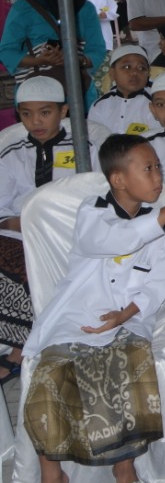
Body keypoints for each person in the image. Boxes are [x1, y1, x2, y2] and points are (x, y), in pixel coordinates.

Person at [18, 134, 165, 483]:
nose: (159, 176)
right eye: (148, 168)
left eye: (159, 167)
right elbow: (113, 239)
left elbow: (156, 282)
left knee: (123, 361)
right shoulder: (93, 212)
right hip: (76, 316)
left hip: (127, 319)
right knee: (51, 374)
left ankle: (125, 473)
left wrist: (125, 314)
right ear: (118, 180)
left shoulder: (156, 218)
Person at [0, 76, 97, 382]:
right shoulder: (13, 151)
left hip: (70, 235)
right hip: (20, 234)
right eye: (26, 114)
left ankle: (19, 350)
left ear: (64, 110)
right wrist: (18, 221)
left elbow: (96, 198)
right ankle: (14, 339)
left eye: (45, 112)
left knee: (38, 266)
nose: (36, 121)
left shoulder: (87, 148)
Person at [0, 0, 107, 106]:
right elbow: (6, 51)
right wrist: (38, 61)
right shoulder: (24, 7)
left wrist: (75, 60)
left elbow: (97, 50)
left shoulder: (85, 9)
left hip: (79, 97)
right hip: (36, 99)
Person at [88, 45, 160, 135]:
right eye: (127, 67)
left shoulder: (157, 104)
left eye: (142, 68)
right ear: (112, 73)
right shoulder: (99, 106)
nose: (135, 72)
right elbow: (94, 140)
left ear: (148, 74)